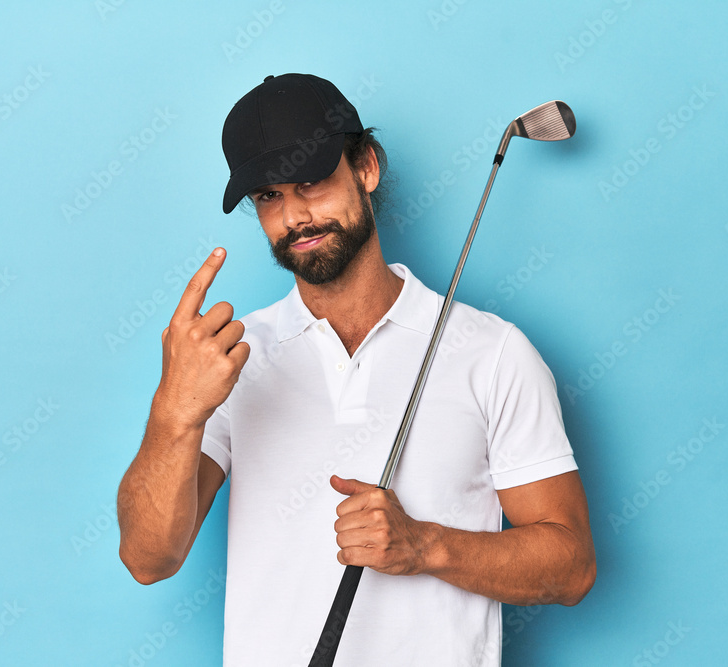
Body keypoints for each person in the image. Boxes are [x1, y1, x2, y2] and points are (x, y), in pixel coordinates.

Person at [117, 73, 595, 666]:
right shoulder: (230, 360)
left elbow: (571, 567)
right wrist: (175, 410)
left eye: (312, 182)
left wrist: (425, 545)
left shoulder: (492, 352)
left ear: (366, 167)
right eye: (269, 196)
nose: (295, 216)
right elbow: (147, 558)